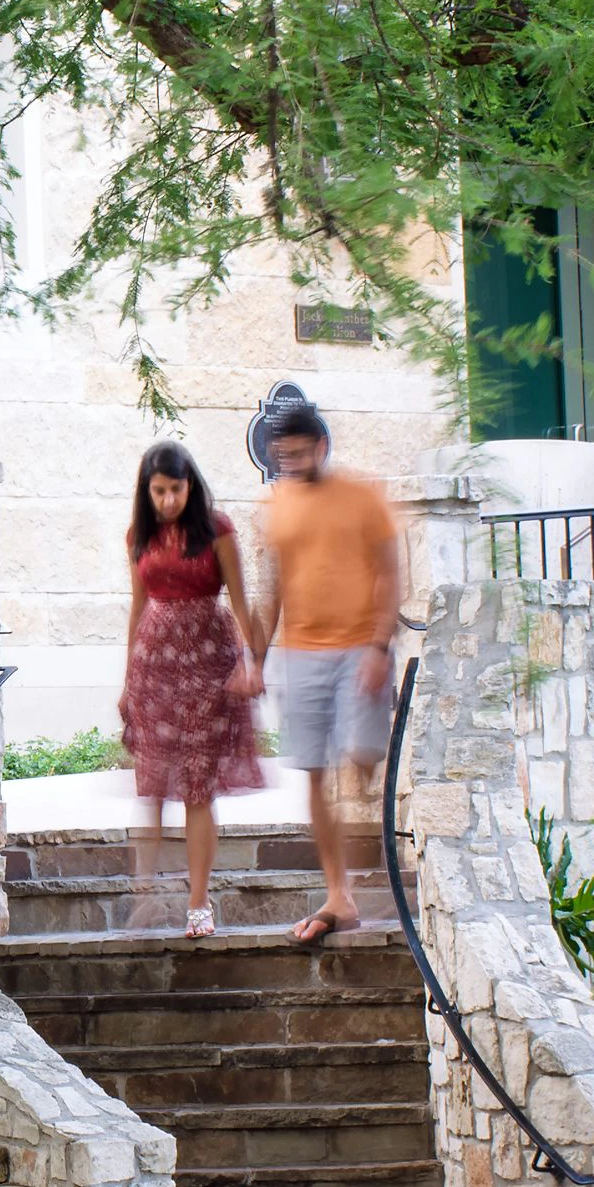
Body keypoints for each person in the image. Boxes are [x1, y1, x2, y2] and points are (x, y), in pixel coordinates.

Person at [253, 398, 402, 945]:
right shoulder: (277, 505)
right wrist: (256, 657)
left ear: (320, 445)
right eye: (280, 457)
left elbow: (390, 575)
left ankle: (368, 879)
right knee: (313, 772)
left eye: (297, 453)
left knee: (361, 762)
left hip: (360, 648)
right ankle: (340, 893)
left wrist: (379, 648)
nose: (289, 464)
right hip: (301, 653)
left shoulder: (364, 498)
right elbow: (272, 588)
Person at [118, 442, 264, 936]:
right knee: (152, 785)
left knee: (198, 789)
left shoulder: (217, 530)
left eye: (175, 489)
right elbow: (137, 609)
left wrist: (253, 662)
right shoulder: (139, 534)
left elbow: (242, 602)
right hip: (153, 667)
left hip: (207, 663)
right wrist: (126, 683)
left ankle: (199, 903)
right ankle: (144, 896)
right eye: (157, 491)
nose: (166, 500)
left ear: (190, 485)